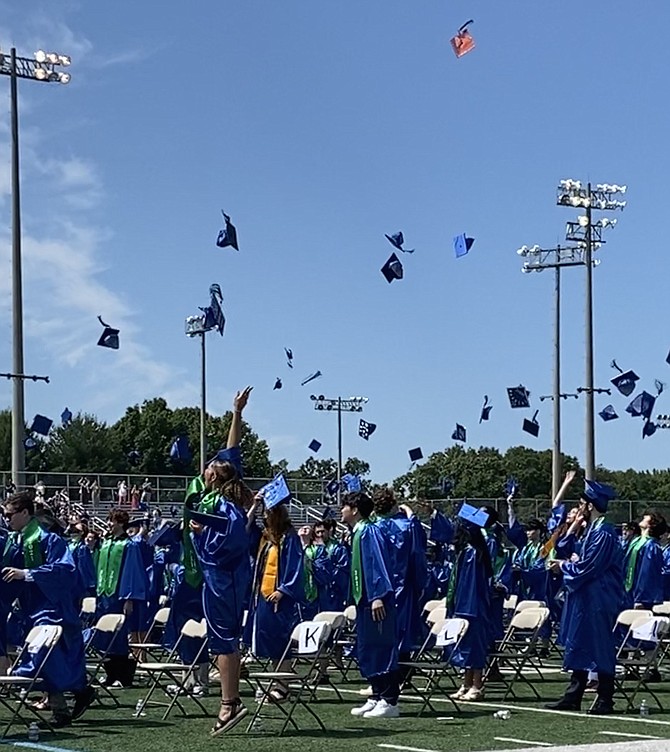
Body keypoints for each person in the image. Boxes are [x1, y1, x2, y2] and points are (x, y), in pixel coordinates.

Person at [190, 386, 255, 735]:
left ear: (217, 475)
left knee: (226, 638)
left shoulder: (225, 506)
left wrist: (200, 533)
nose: (206, 467)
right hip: (215, 579)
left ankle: (230, 703)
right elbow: (231, 449)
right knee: (220, 639)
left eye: (210, 466)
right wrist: (236, 412)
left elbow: (231, 542)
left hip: (225, 579)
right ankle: (229, 700)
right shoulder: (211, 499)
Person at [1, 490, 94, 727]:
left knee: (45, 655)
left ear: (24, 513)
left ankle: (64, 706)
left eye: (10, 515)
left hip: (52, 607)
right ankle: (77, 694)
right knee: (52, 659)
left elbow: (65, 570)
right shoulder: (16, 540)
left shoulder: (47, 539)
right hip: (29, 608)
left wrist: (28, 574)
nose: (7, 519)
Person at [546, 480, 624, 715]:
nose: (579, 508)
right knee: (579, 642)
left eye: (581, 504)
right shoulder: (593, 530)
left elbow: (590, 566)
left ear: (590, 506)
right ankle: (573, 695)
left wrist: (563, 567)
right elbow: (577, 556)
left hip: (599, 597)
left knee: (600, 645)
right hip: (586, 596)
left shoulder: (604, 533)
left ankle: (605, 699)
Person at [343, 491, 400, 719]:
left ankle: (390, 700)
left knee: (381, 647)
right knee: (368, 648)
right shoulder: (357, 532)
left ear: (355, 509)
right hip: (364, 599)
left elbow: (378, 563)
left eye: (345, 505)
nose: (342, 509)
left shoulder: (370, 531)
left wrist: (377, 595)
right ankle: (376, 695)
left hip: (376, 599)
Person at [245, 488, 304, 702]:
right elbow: (245, 532)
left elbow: (296, 567)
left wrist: (284, 589)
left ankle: (283, 687)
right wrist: (254, 506)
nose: (265, 517)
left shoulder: (289, 538)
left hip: (280, 600)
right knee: (269, 641)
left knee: (281, 642)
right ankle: (276, 682)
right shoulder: (265, 538)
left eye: (268, 513)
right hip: (263, 599)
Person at [94, 508, 150, 686]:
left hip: (119, 596)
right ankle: (110, 673)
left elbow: (132, 572)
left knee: (118, 635)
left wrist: (129, 598)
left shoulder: (129, 545)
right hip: (104, 594)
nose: (109, 524)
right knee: (105, 635)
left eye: (112, 521)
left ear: (120, 523)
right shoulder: (106, 543)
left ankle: (122, 675)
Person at [447, 510, 493, 701]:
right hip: (462, 606)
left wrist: (466, 609)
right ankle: (466, 684)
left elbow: (473, 586)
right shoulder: (466, 552)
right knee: (465, 646)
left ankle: (477, 685)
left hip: (473, 607)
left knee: (475, 647)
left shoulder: (474, 554)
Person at [622, 510, 666, 610]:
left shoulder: (651, 546)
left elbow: (647, 574)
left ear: (652, 524)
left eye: (648, 517)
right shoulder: (637, 541)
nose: (645, 516)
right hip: (628, 591)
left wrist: (641, 599)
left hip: (640, 596)